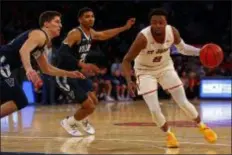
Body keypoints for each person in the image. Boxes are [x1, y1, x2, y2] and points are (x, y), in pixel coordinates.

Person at [122, 8, 217, 148]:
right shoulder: (143, 38)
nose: (158, 25)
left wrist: (201, 52)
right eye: (154, 22)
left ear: (166, 22)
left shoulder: (172, 31)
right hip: (144, 71)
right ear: (150, 23)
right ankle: (169, 135)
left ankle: (203, 127)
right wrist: (129, 81)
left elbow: (183, 49)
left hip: (165, 68)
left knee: (183, 102)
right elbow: (126, 60)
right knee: (154, 110)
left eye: (161, 22)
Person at [56, 7, 135, 136]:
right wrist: (83, 64)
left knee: (94, 101)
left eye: (92, 16)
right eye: (87, 16)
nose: (91, 18)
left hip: (77, 74)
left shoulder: (91, 32)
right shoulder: (75, 33)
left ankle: (81, 120)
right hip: (65, 74)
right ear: (80, 19)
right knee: (89, 106)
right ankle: (69, 122)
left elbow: (104, 34)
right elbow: (61, 53)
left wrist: (124, 28)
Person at [0, 11, 84, 118]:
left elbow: (47, 69)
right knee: (19, 99)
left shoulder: (41, 44)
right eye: (57, 22)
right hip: (2, 65)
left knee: (15, 99)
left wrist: (70, 73)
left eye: (60, 23)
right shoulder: (40, 35)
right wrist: (29, 69)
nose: (60, 25)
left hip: (4, 66)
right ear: (46, 24)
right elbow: (24, 50)